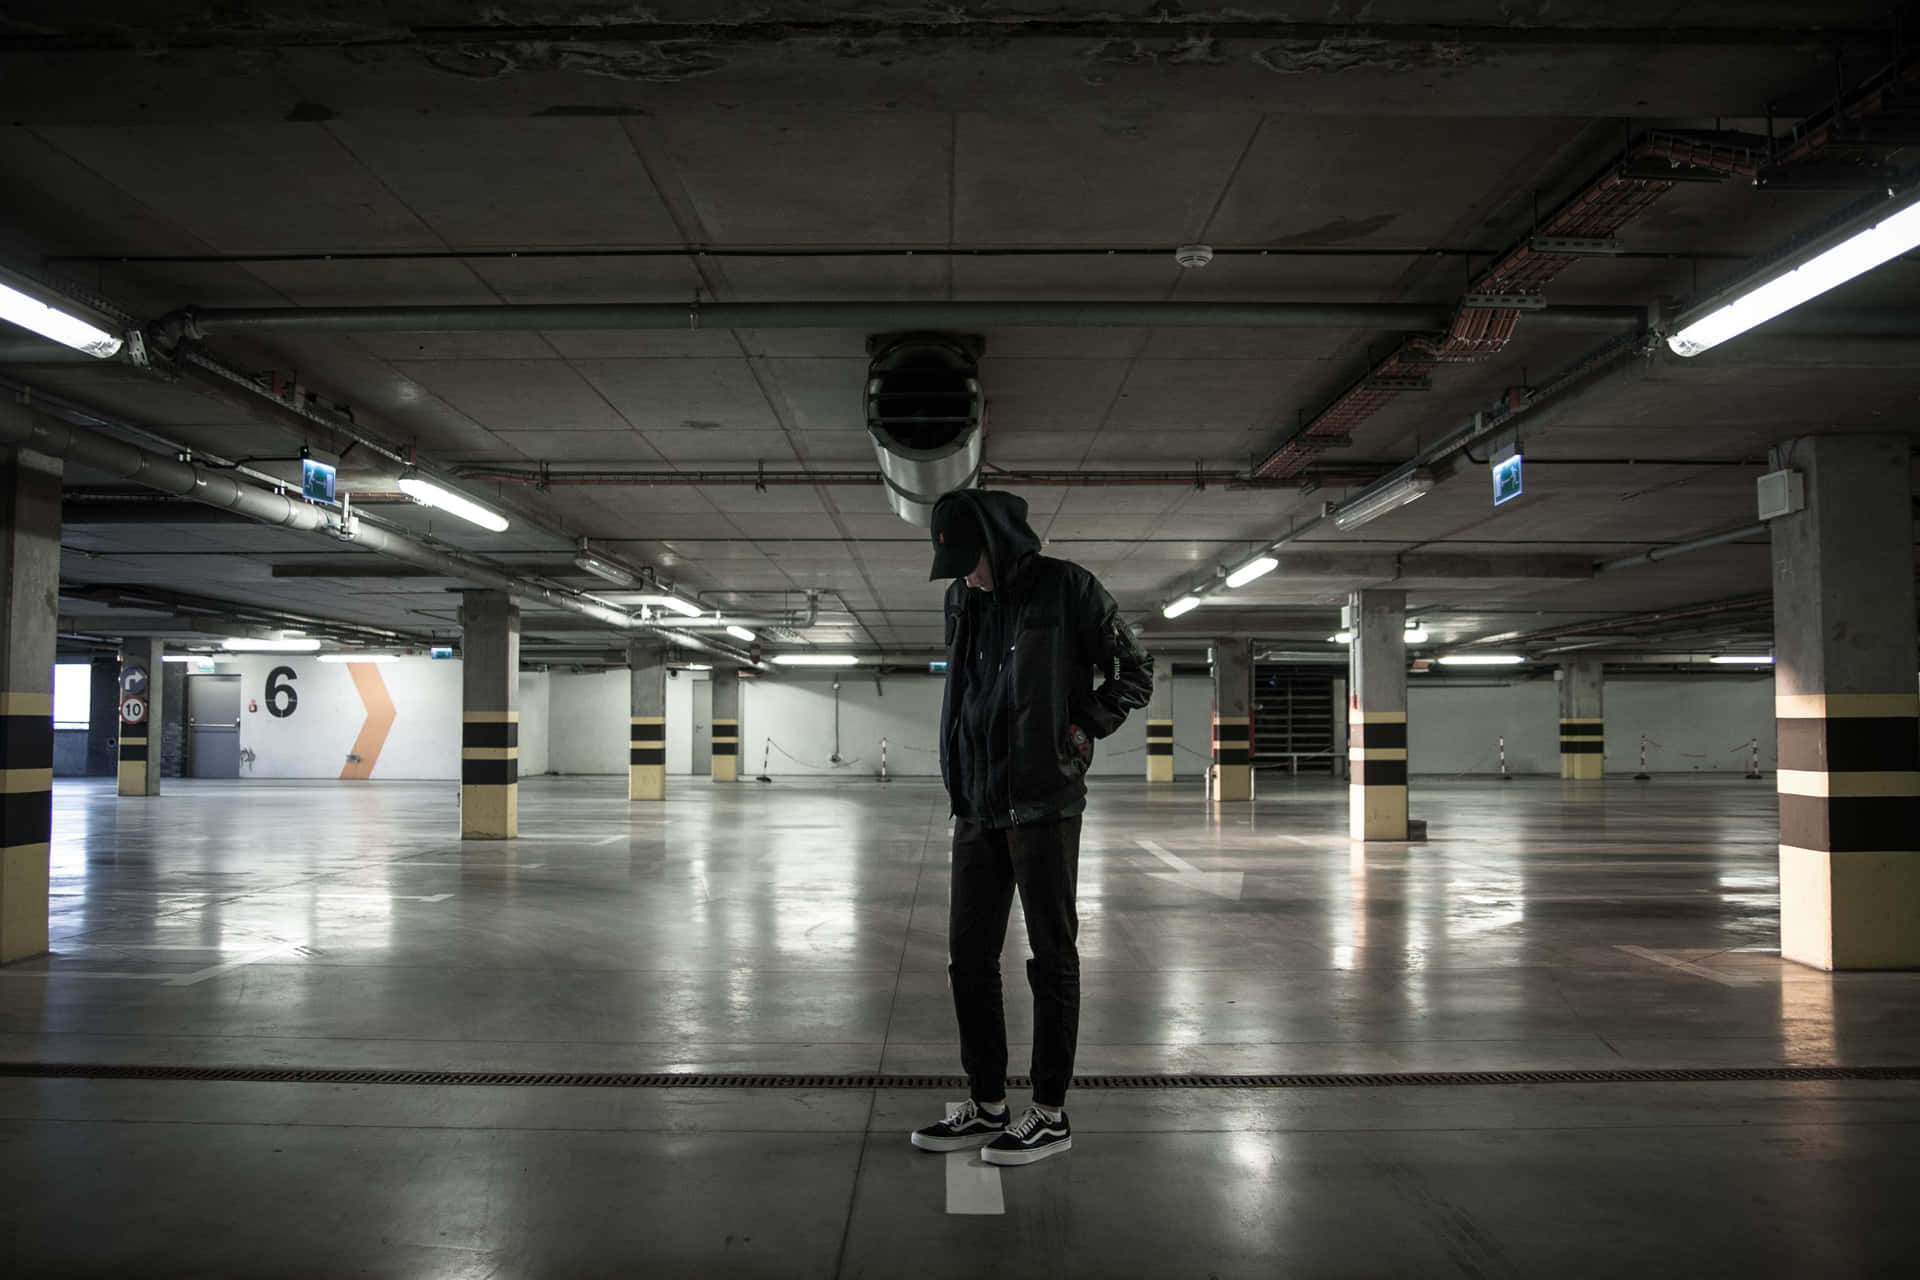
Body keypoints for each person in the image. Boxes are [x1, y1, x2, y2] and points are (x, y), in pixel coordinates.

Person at [910, 487, 1153, 1166]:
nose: (965, 574)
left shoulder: (1068, 589)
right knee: (968, 959)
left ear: (1000, 542)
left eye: (971, 559)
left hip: (1044, 804)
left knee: (1052, 959)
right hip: (977, 805)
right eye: (955, 564)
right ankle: (987, 1102)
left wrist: (1080, 729)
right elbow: (970, 690)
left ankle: (1049, 1112)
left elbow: (1135, 672)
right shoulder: (962, 598)